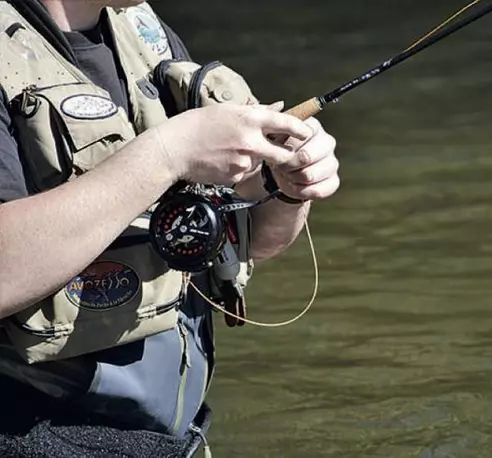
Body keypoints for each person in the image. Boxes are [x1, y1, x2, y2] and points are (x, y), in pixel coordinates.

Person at [0, 0, 340, 456]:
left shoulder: (144, 31)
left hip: (169, 439)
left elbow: (253, 240)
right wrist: (168, 154)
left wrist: (287, 185)